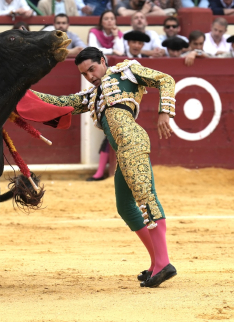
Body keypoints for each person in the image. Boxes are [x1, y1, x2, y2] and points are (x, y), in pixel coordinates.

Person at [32, 46, 177, 288]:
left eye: (92, 69)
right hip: (122, 151)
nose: (90, 76)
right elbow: (61, 102)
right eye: (85, 74)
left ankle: (164, 263)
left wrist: (165, 112)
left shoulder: (126, 72)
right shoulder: (92, 96)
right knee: (126, 206)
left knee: (145, 197)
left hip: (132, 141)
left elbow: (165, 79)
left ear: (102, 60)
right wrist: (21, 92)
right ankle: (156, 262)